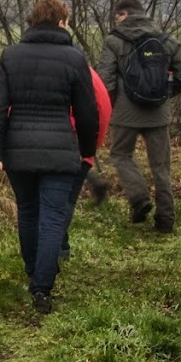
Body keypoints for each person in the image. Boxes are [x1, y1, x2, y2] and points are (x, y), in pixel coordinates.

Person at [0, 0, 99, 315]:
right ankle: (42, 287)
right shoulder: (74, 58)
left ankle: (34, 272)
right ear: (62, 22)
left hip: (18, 150)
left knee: (28, 212)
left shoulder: (11, 55)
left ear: (32, 22)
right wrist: (87, 150)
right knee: (52, 217)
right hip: (60, 151)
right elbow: (88, 113)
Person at [97, 0, 181, 233]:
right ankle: (165, 220)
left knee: (121, 155)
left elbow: (105, 80)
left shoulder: (113, 40)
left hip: (124, 112)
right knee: (161, 167)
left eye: (117, 16)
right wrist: (164, 93)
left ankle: (139, 198)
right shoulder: (165, 40)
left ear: (124, 15)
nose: (116, 21)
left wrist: (110, 106)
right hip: (157, 113)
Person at [61, 66, 113, 261]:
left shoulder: (31, 65)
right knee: (63, 201)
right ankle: (60, 247)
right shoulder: (85, 71)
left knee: (55, 202)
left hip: (52, 146)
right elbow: (103, 108)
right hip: (77, 147)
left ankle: (54, 251)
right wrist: (90, 149)